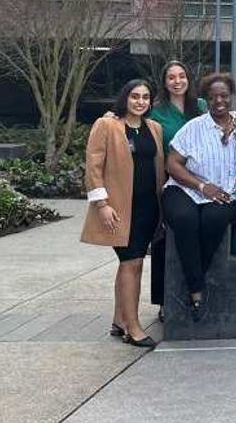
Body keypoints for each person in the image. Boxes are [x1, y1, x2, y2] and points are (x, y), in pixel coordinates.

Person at [162, 72, 236, 322]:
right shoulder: (194, 127)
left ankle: (192, 281)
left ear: (231, 96)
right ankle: (196, 291)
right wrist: (202, 186)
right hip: (186, 188)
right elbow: (173, 164)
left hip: (225, 193)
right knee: (185, 219)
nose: (219, 101)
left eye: (224, 95)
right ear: (206, 100)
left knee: (213, 220)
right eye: (213, 97)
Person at [81, 79, 165, 348]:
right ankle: (134, 327)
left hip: (149, 207)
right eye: (134, 96)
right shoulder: (107, 125)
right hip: (118, 210)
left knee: (131, 264)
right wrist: (101, 204)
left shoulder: (155, 128)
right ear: (125, 98)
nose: (140, 101)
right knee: (133, 263)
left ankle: (119, 319)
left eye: (145, 97)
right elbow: (93, 165)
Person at [146, 60, 202, 321]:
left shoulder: (201, 107)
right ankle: (164, 300)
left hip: (202, 184)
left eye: (182, 76)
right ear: (164, 82)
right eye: (171, 77)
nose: (177, 81)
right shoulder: (156, 112)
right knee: (163, 240)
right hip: (169, 182)